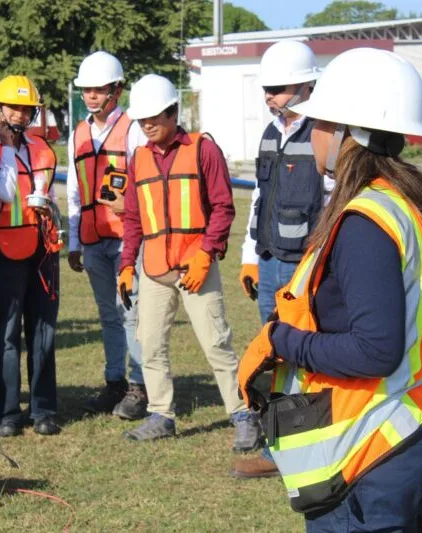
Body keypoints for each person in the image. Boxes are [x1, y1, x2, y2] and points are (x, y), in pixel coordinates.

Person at [236, 47, 422, 531]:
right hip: (404, 428)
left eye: (317, 121)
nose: (310, 132)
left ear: (344, 133)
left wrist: (280, 340)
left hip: (376, 445)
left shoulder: (365, 222)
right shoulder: (401, 201)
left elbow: (376, 350)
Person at [118, 74, 261, 450]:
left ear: (173, 112)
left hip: (195, 266)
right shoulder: (138, 158)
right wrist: (126, 264)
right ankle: (161, 415)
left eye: (153, 117)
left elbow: (223, 208)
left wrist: (205, 255)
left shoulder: (203, 150)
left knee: (217, 344)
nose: (146, 125)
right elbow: (133, 217)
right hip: (153, 269)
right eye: (141, 119)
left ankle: (243, 415)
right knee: (150, 345)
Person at [232, 40, 328, 478]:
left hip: (302, 265)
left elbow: (331, 204)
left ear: (306, 85)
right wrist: (250, 256)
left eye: (278, 87)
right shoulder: (272, 132)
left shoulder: (326, 132)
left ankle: (298, 449)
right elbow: (259, 198)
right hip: (269, 261)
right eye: (266, 88)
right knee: (272, 354)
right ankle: (277, 444)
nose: (269, 96)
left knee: (304, 357)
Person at [0, 75, 61, 437]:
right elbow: (3, 192)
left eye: (28, 109)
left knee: (42, 329)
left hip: (42, 248)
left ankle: (44, 409)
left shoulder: (42, 149)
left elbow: (50, 195)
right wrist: (8, 147)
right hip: (2, 248)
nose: (22, 115)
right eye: (14, 108)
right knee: (5, 330)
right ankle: (6, 412)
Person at [67, 51, 149, 420]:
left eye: (99, 90)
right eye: (86, 90)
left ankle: (138, 386)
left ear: (117, 90)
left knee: (130, 312)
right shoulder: (78, 134)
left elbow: (146, 182)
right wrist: (73, 242)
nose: (91, 96)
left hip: (126, 239)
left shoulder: (133, 129)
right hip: (92, 240)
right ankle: (115, 382)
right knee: (107, 314)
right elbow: (72, 190)